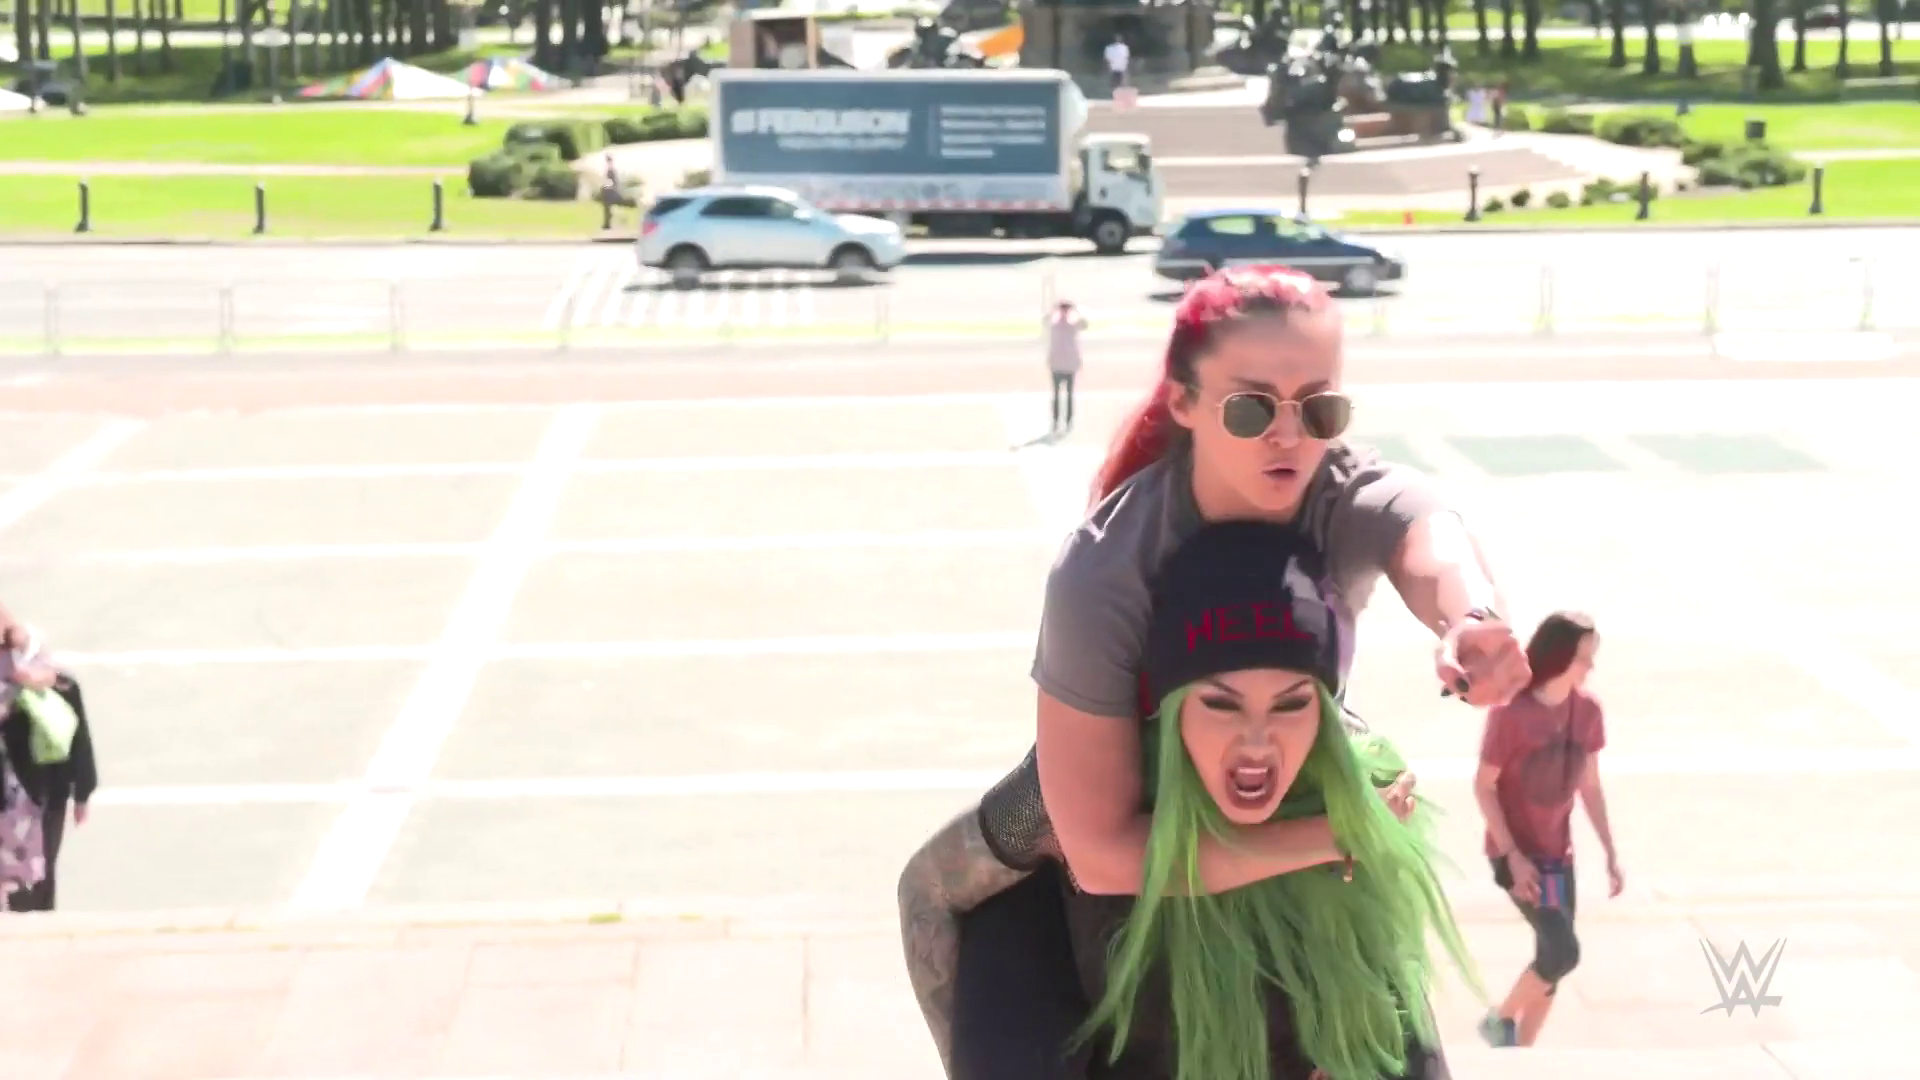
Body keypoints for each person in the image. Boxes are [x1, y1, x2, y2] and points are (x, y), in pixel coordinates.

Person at [897, 265, 1531, 1079]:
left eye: (1318, 407)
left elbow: (1429, 534)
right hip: (1123, 766)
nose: (1289, 435)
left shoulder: (1340, 490)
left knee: (1395, 1024)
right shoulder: (1103, 570)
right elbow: (1102, 854)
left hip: (1301, 748)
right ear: (1184, 403)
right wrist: (1331, 838)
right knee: (934, 891)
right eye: (1252, 407)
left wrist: (1471, 620)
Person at [1065, 520, 1474, 1080]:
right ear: (1171, 707)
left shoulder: (1370, 797)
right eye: (1221, 704)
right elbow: (945, 887)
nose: (1257, 742)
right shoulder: (1089, 804)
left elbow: (1401, 1026)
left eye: (1290, 705)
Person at [1472, 612, 1620, 1048]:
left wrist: (1610, 850)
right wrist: (1513, 856)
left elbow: (1590, 786)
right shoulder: (1511, 715)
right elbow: (1484, 786)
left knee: (1550, 958)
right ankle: (1500, 1020)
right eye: (1583, 657)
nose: (1590, 666)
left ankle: (1522, 1050)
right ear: (1559, 657)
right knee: (1563, 951)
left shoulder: (1587, 712)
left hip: (1557, 858)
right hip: (1518, 855)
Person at [1, 620, 99, 913]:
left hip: (25, 796)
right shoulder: (60, 683)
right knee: (43, 868)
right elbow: (78, 737)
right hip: (49, 793)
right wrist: (82, 792)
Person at [1047, 301, 1089, 435]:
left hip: (1067, 365)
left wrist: (1076, 311)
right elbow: (1046, 320)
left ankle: (1067, 421)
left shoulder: (1070, 325)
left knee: (1067, 395)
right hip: (1059, 365)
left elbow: (1085, 324)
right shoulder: (1057, 325)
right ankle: (1057, 421)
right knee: (1058, 396)